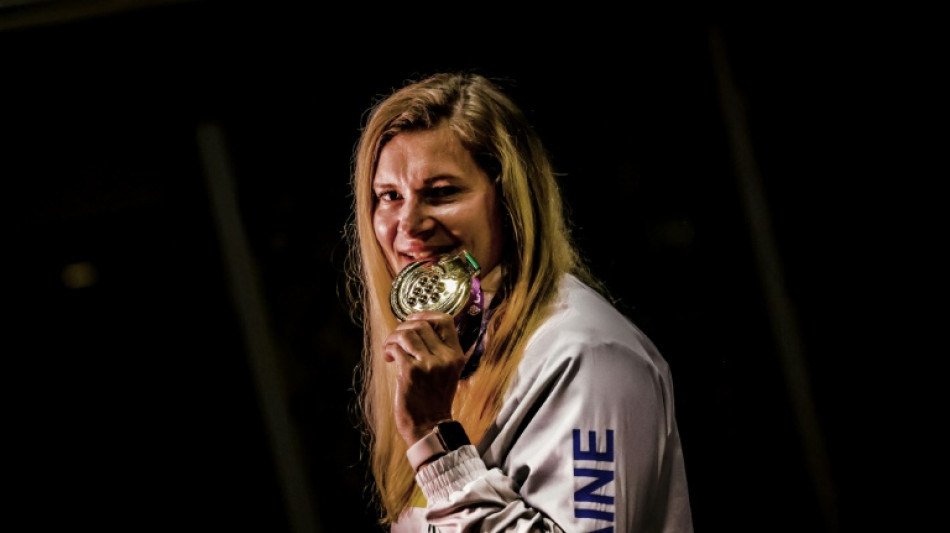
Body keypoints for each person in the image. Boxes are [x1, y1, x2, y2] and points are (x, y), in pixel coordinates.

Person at [343, 71, 693, 532]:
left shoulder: (588, 355)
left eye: (442, 193)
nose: (408, 224)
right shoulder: (447, 358)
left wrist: (434, 438)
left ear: (509, 199)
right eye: (389, 196)